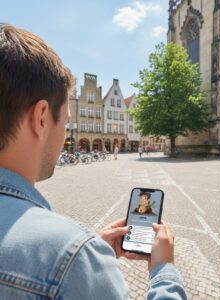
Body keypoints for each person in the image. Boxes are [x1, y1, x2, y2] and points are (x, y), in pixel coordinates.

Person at [0, 24, 187, 299]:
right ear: (41, 118)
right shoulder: (68, 253)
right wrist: (163, 269)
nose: (66, 129)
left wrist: (88, 254)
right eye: (66, 120)